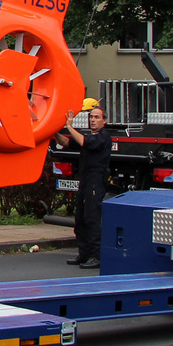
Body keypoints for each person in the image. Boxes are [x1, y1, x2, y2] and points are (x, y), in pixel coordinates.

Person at [55, 101, 110, 268]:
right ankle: (84, 254)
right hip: (85, 181)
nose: (93, 120)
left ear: (104, 121)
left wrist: (70, 126)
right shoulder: (89, 135)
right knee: (81, 218)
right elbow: (66, 143)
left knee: (93, 219)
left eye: (96, 117)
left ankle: (96, 256)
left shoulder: (102, 137)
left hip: (95, 182)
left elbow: (85, 142)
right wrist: (54, 131)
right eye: (91, 117)